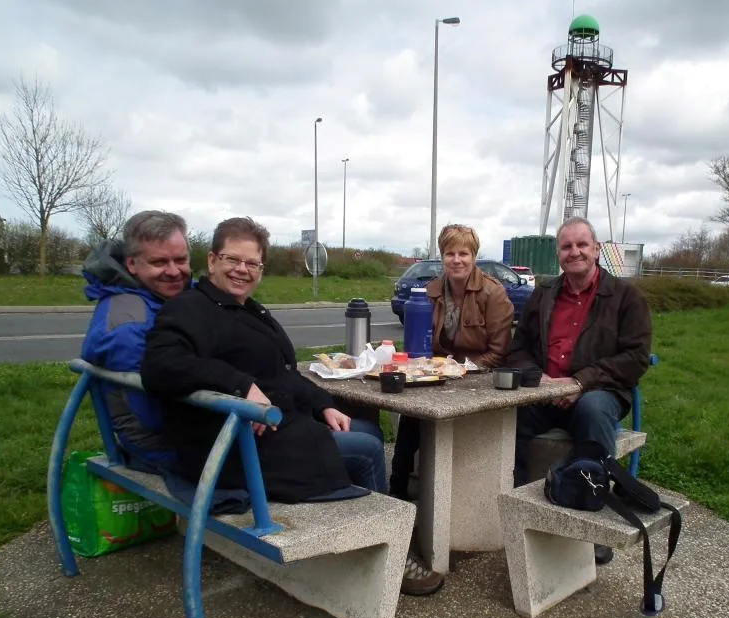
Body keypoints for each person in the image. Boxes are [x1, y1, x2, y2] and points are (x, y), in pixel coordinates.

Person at [141, 217, 443, 596]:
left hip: (272, 429)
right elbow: (160, 365)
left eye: (253, 264)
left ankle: (369, 527)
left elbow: (281, 373)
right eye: (234, 259)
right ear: (213, 259)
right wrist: (240, 385)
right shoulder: (190, 309)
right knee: (367, 448)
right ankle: (391, 552)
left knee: (362, 429)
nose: (242, 270)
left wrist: (321, 406)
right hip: (234, 445)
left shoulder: (246, 308)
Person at [505, 216, 652, 564]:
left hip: (597, 390)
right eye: (567, 246)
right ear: (558, 253)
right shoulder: (543, 294)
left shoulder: (625, 297)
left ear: (596, 249)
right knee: (507, 413)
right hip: (544, 391)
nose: (575, 252)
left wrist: (581, 382)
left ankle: (593, 525)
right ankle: (516, 505)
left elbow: (636, 357)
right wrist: (538, 380)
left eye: (582, 244)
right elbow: (518, 347)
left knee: (593, 411)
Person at [388, 223, 514, 499]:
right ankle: (397, 492)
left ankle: (449, 493)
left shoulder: (493, 294)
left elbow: (498, 353)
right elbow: (419, 343)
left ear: (474, 256)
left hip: (480, 379)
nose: (457, 260)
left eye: (464, 254)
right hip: (439, 375)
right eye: (450, 253)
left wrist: (461, 369)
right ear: (442, 257)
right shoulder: (430, 291)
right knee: (411, 414)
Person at [81, 210, 192, 470]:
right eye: (159, 262)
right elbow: (151, 417)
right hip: (162, 446)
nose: (174, 272)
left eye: (181, 259)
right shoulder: (129, 326)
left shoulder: (162, 296)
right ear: (131, 264)